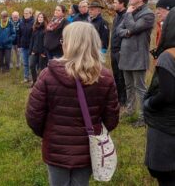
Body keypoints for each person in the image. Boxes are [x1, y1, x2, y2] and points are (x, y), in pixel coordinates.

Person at [26, 22, 119, 186]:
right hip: (88, 148)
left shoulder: (48, 75)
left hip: (56, 148)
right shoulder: (105, 77)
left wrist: (50, 133)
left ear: (69, 44)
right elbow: (111, 119)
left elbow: (34, 116)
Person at [144, 5, 175, 186]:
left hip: (166, 129)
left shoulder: (168, 57)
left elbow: (168, 94)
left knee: (166, 175)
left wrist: (149, 104)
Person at [117, 0, 155, 127]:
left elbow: (133, 28)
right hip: (125, 55)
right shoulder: (131, 11)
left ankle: (144, 117)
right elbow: (118, 31)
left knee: (140, 88)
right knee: (128, 86)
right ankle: (130, 110)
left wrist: (128, 16)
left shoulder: (148, 14)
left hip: (138, 56)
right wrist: (128, 32)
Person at [111, 0, 129, 106]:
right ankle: (118, 99)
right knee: (116, 75)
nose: (113, 4)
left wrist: (122, 50)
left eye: (115, 2)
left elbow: (126, 34)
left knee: (122, 77)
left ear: (122, 3)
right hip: (113, 51)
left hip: (121, 51)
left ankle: (124, 101)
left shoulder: (127, 16)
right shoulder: (116, 17)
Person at [29, 12, 48, 86]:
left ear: (44, 19)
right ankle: (34, 81)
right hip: (34, 51)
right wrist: (31, 51)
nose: (40, 18)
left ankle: (41, 84)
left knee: (42, 69)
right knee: (32, 65)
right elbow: (32, 40)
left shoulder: (46, 29)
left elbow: (47, 42)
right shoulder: (35, 28)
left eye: (42, 17)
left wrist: (44, 52)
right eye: (39, 17)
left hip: (42, 52)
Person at [18, 8, 35, 83]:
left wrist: (34, 46)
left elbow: (34, 36)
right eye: (24, 13)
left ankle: (32, 78)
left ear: (31, 14)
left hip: (31, 46)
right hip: (23, 46)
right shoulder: (21, 22)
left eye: (27, 13)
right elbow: (19, 34)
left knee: (31, 63)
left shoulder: (34, 22)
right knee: (25, 63)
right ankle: (26, 77)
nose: (25, 14)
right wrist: (19, 45)